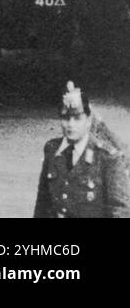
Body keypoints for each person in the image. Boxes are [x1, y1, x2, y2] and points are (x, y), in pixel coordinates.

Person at [33, 82, 130, 218]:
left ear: (89, 120)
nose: (71, 124)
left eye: (77, 118)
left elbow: (120, 212)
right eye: (66, 118)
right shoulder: (52, 149)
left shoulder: (107, 158)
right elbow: (42, 205)